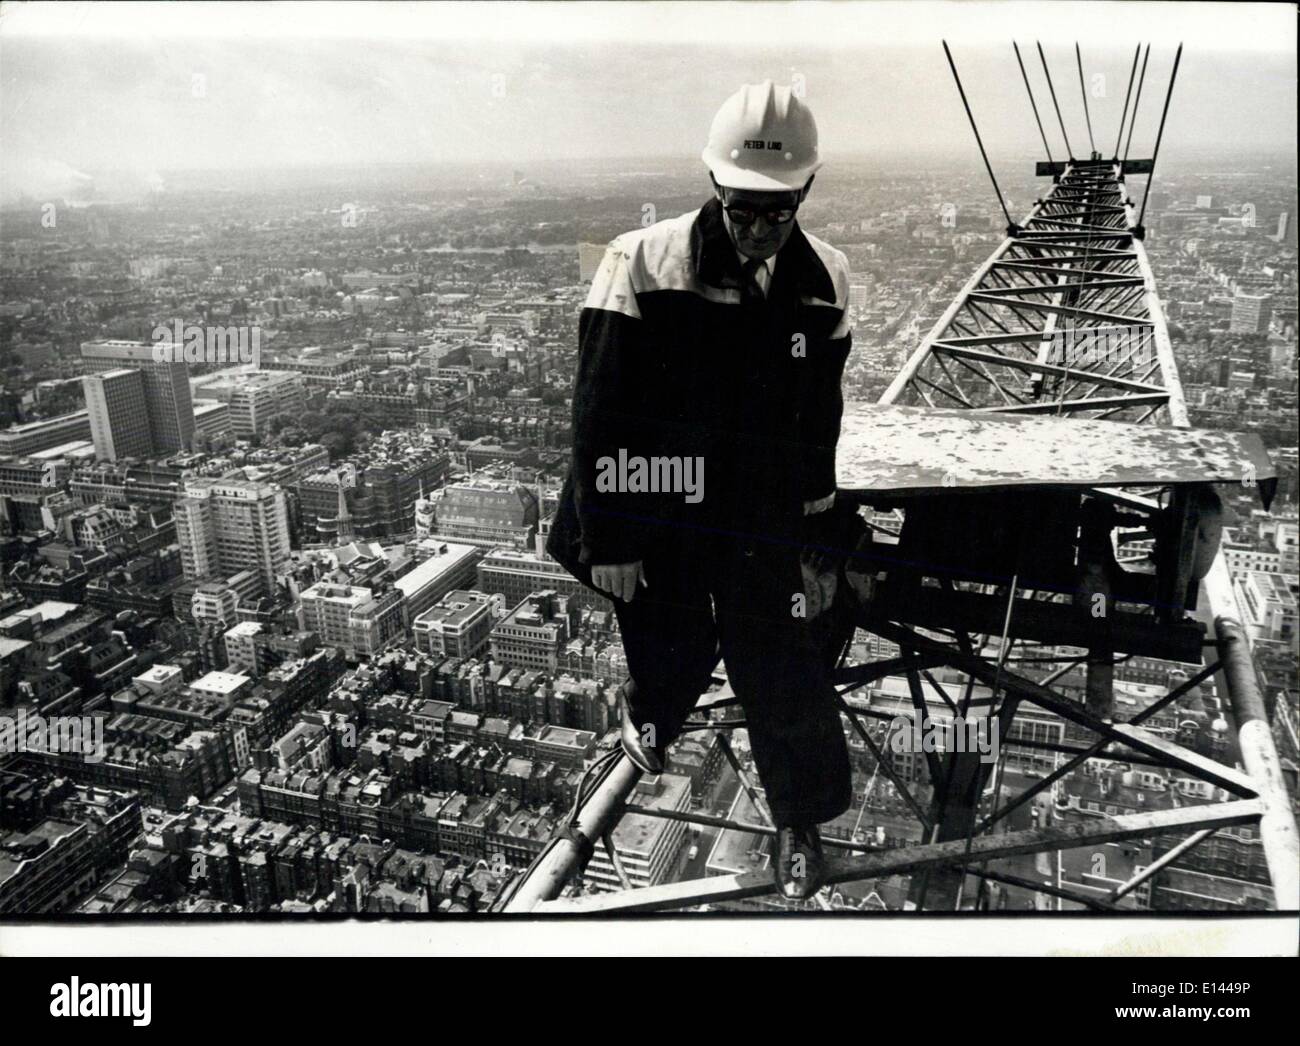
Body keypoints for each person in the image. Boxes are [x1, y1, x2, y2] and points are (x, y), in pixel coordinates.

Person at [547, 81, 854, 899]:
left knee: (784, 661)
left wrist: (817, 543)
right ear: (714, 188)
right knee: (667, 635)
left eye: (776, 212)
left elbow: (817, 422)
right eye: (741, 209)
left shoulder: (827, 280)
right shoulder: (641, 262)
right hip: (657, 500)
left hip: (758, 509)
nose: (757, 230)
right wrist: (609, 540)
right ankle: (649, 712)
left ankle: (800, 819)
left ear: (805, 194)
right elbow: (600, 409)